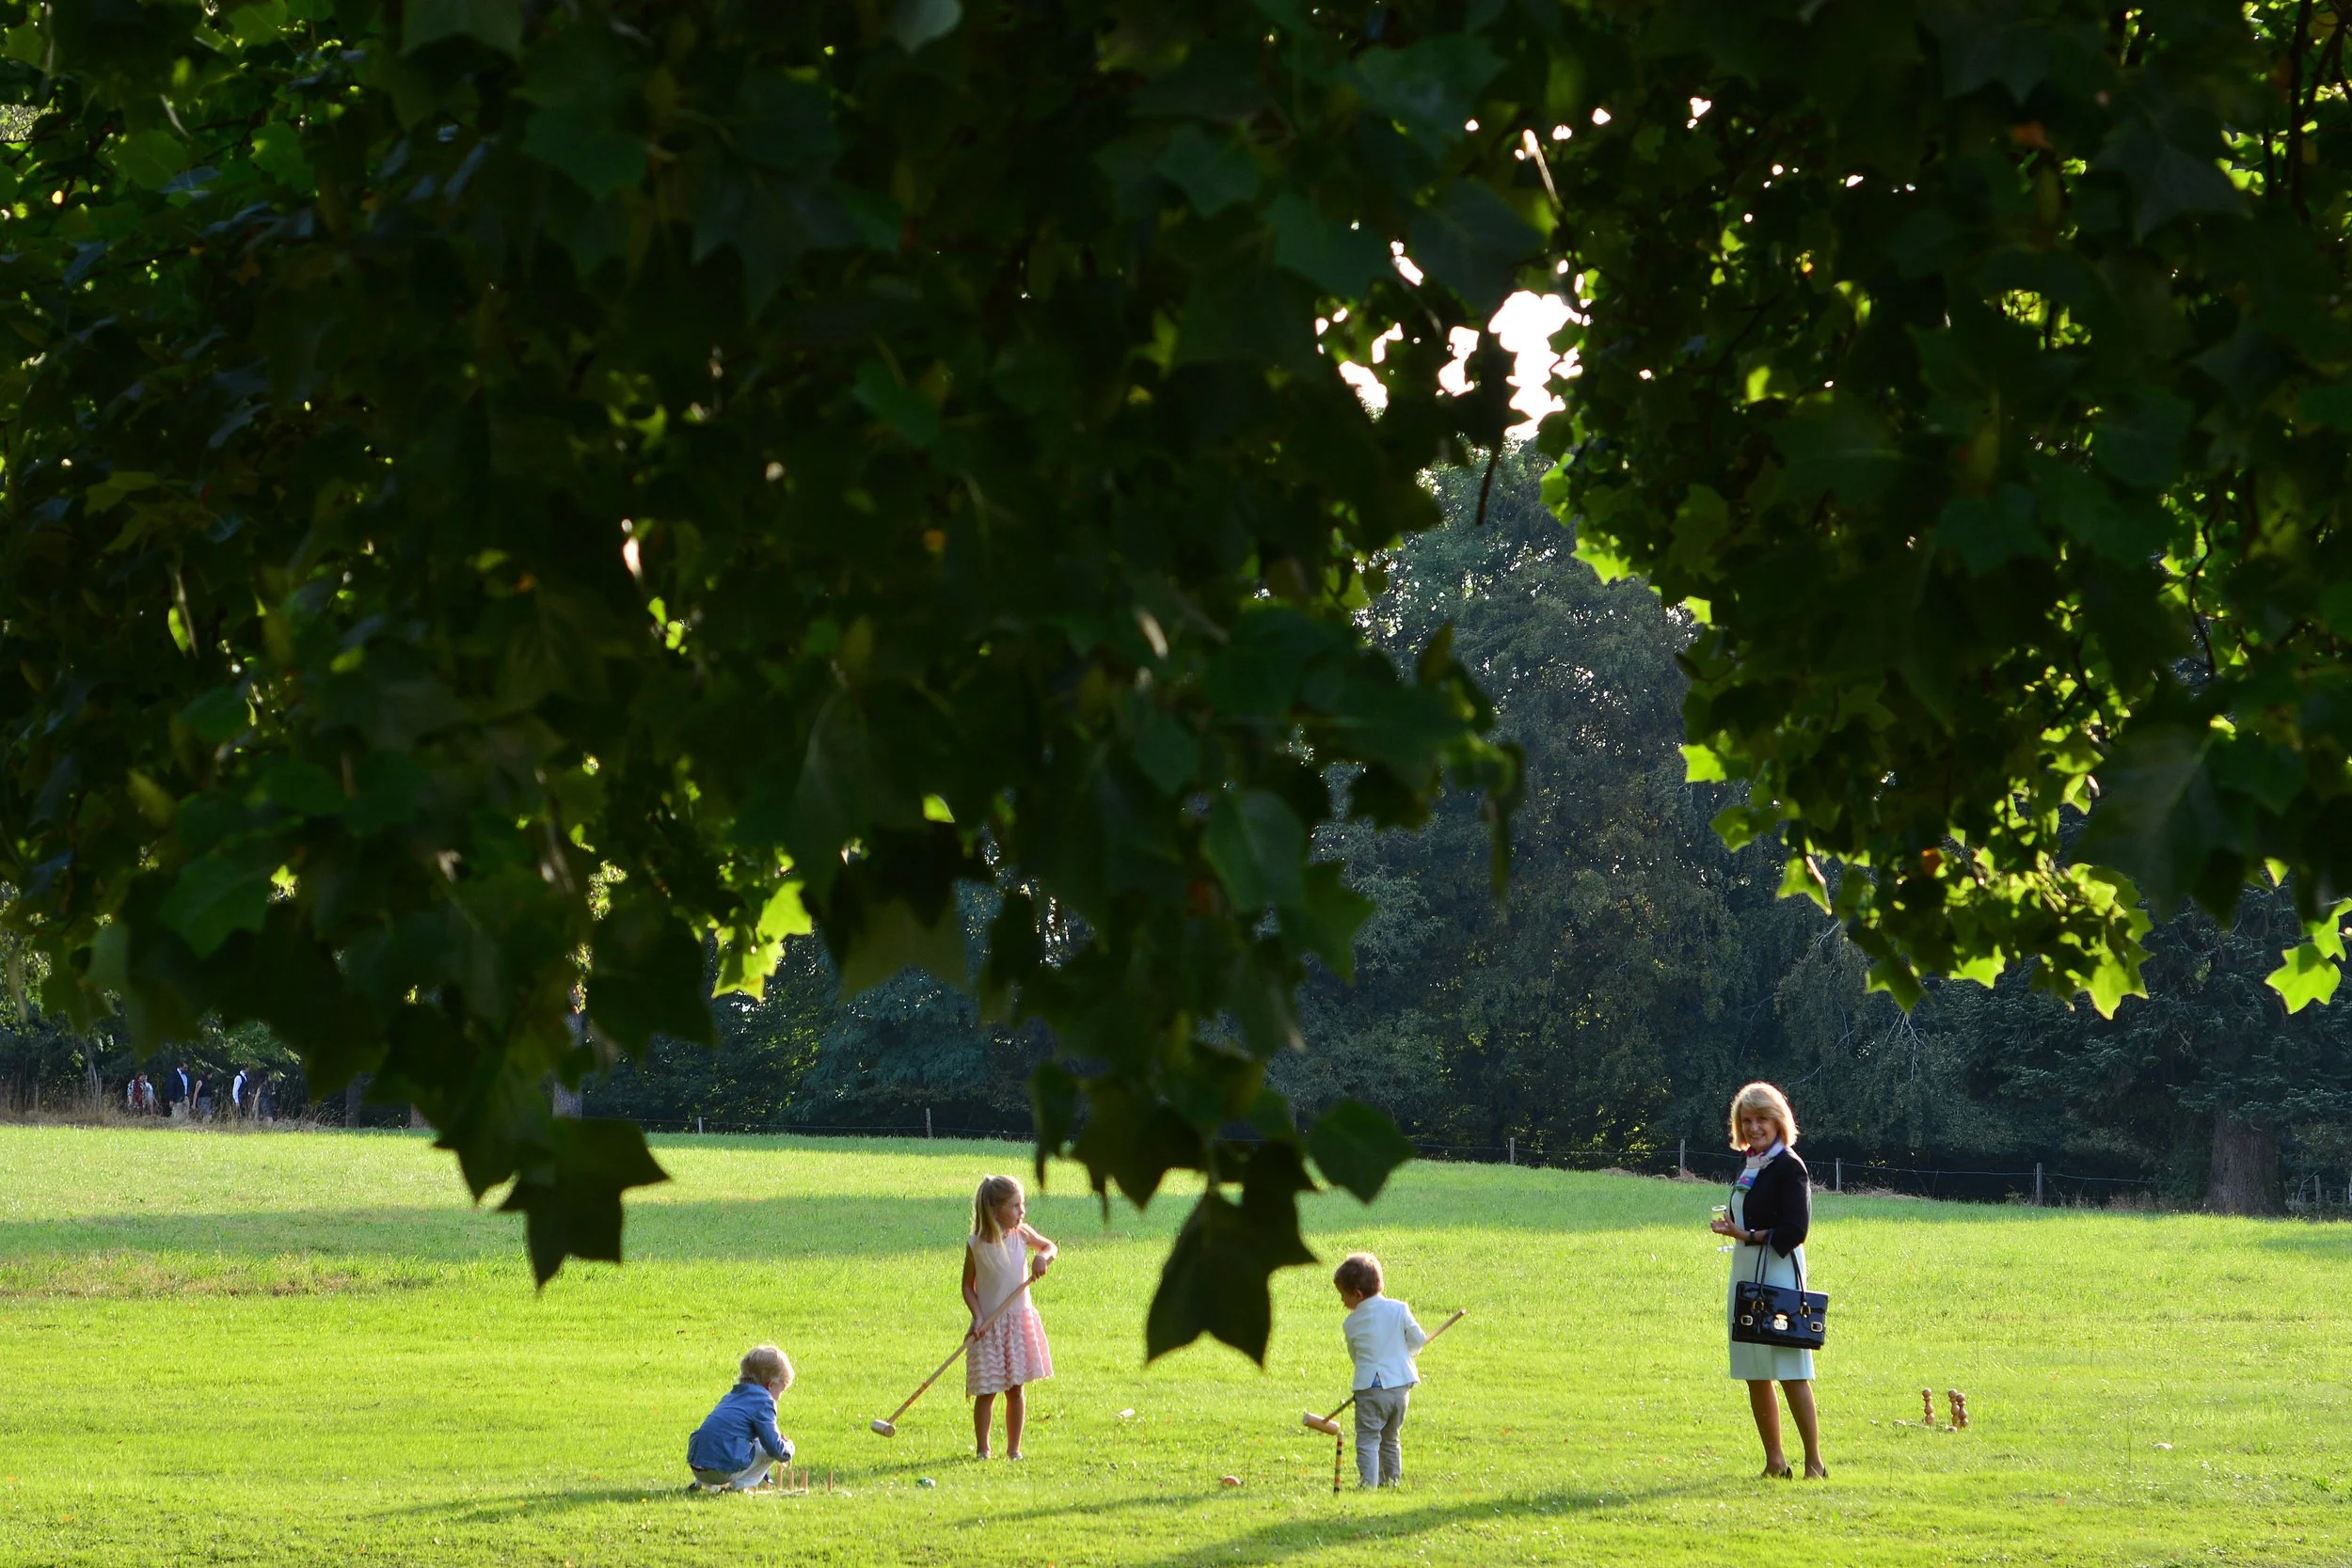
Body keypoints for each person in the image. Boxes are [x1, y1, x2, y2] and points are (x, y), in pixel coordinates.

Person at [1709, 1081, 1827, 1480]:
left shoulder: (1789, 1166)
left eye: (1761, 1119)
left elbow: (1795, 1229)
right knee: (1754, 1368)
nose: (1754, 1127)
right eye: (1747, 1120)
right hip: (1745, 1270)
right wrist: (1733, 1229)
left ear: (1778, 1121)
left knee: (1791, 1367)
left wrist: (1749, 1236)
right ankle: (1774, 1461)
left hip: (1778, 1272)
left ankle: (1814, 1462)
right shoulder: (1751, 1163)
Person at [963, 1173, 1056, 1459]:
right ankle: (983, 1449)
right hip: (988, 1326)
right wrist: (977, 1316)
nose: (1022, 1211)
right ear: (994, 1210)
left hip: (1017, 1324)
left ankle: (1014, 1451)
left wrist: (1042, 1258)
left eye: (1022, 1204)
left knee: (1015, 1390)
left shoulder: (1022, 1235)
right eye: (1015, 1206)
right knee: (986, 1391)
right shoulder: (976, 1244)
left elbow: (1050, 1247)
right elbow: (968, 1286)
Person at [1334, 1251, 1428, 1488]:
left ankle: (1368, 1484)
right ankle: (1392, 1482)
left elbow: (1357, 1356)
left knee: (1367, 1438)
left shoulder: (1351, 1323)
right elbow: (1419, 1340)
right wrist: (1405, 1352)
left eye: (1343, 1296)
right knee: (1390, 1438)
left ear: (1357, 1294)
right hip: (1399, 1388)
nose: (1342, 1302)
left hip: (1370, 1389)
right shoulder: (1399, 1309)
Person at [686, 1344, 796, 1491]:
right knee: (769, 1449)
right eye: (781, 1391)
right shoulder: (764, 1401)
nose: (779, 1398)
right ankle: (741, 1486)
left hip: (697, 1466)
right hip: (721, 1472)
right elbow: (773, 1447)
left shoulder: (732, 1396)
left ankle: (704, 1485)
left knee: (731, 1439)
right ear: (771, 1385)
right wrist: (788, 1449)